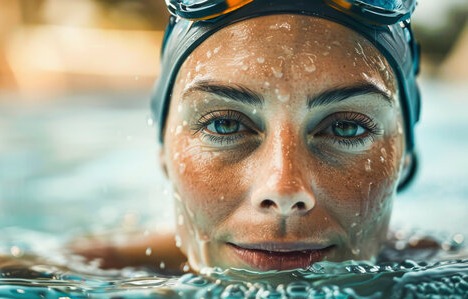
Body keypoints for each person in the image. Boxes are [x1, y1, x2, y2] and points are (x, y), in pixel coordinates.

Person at [72, 0, 423, 273]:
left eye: (346, 127)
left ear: (404, 158)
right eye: (225, 124)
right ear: (164, 152)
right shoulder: (70, 279)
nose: (283, 191)